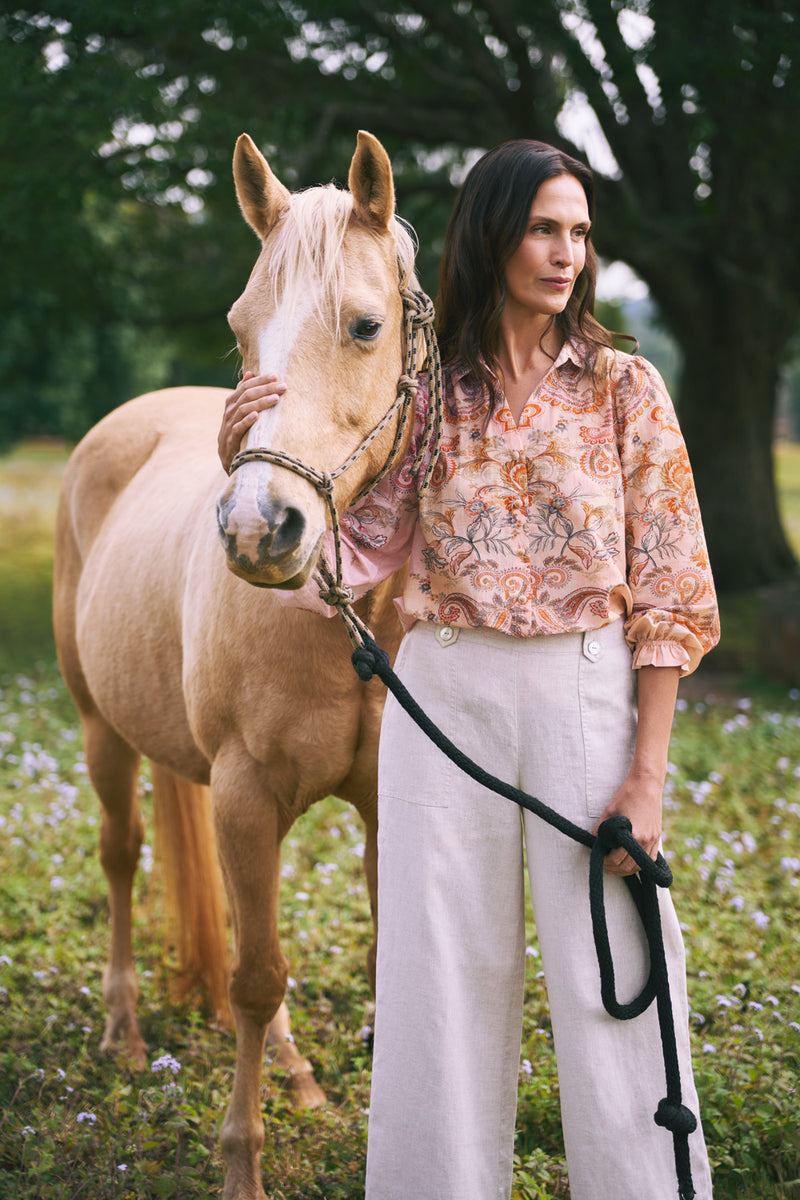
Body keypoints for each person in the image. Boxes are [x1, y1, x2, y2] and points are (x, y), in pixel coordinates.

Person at [218, 140, 719, 1200]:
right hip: (444, 698)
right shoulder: (429, 393)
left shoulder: (626, 388)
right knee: (434, 978)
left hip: (584, 693)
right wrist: (248, 466)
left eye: (578, 232)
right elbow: (352, 558)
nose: (564, 253)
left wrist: (646, 773)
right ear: (492, 234)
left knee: (610, 974)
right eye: (543, 227)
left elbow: (672, 594)